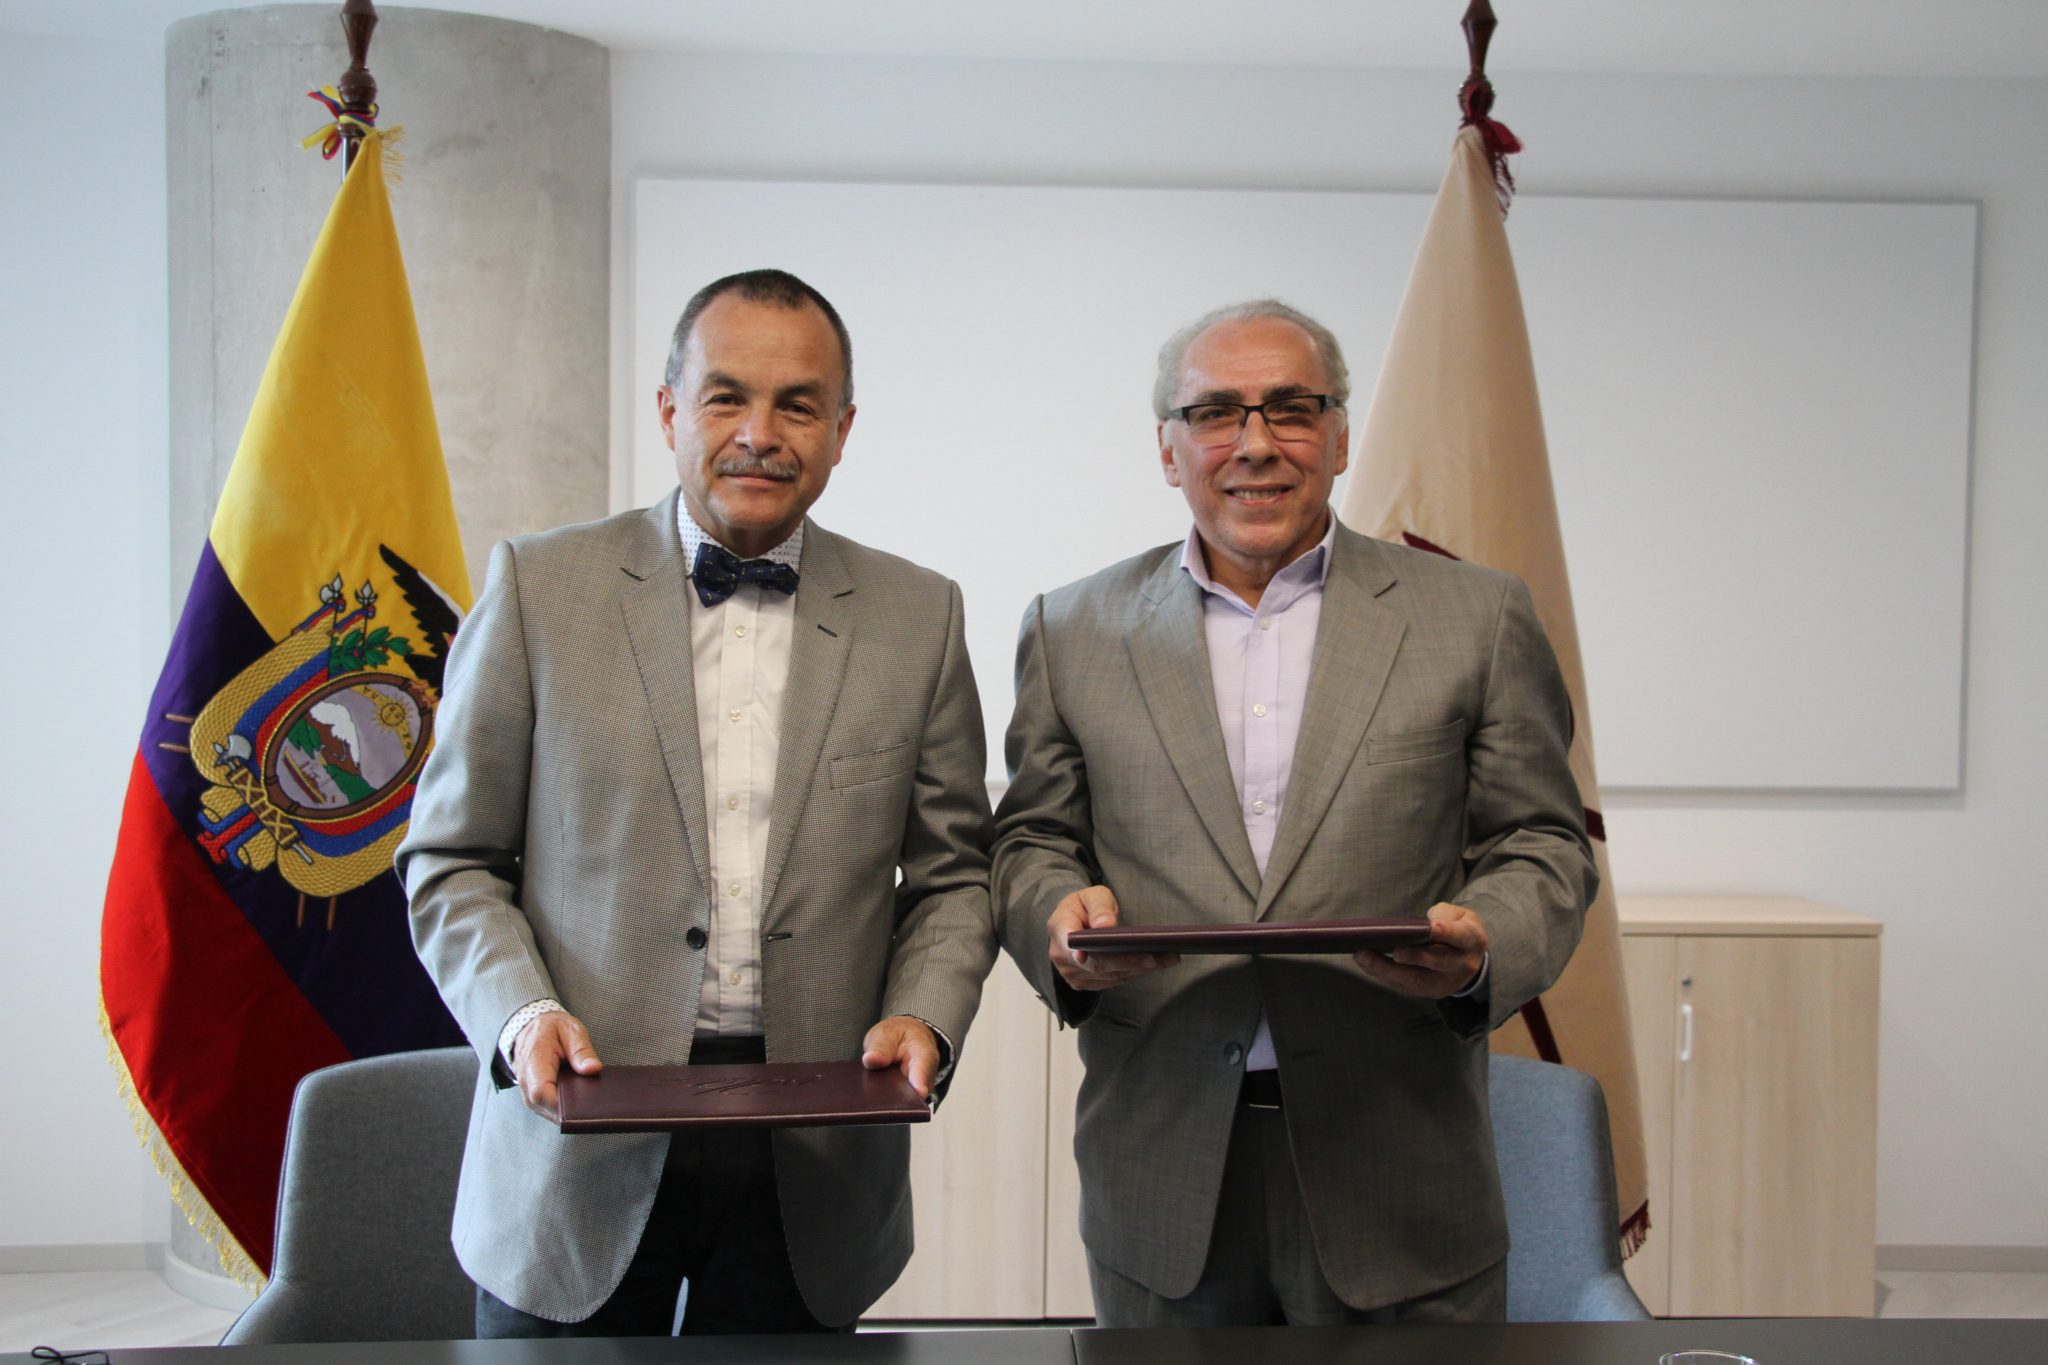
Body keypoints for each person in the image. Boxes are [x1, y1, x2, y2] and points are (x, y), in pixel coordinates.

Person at [399, 269, 996, 1337]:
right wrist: (521, 1015)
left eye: (797, 404)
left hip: (814, 1157)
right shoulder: (538, 589)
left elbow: (955, 876)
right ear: (670, 410)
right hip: (573, 1143)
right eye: (726, 397)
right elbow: (452, 860)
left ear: (842, 430)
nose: (760, 433)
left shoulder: (920, 616)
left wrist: (925, 1012)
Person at [992, 299, 1597, 1327]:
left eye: (1291, 407)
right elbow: (1031, 839)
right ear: (1168, 448)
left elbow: (1540, 841)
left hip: (1399, 1166)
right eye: (1215, 412)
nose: (1256, 443)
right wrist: (1054, 913)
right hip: (1160, 1169)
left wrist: (1485, 940)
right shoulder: (1071, 629)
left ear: (1340, 435)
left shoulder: (1476, 617)